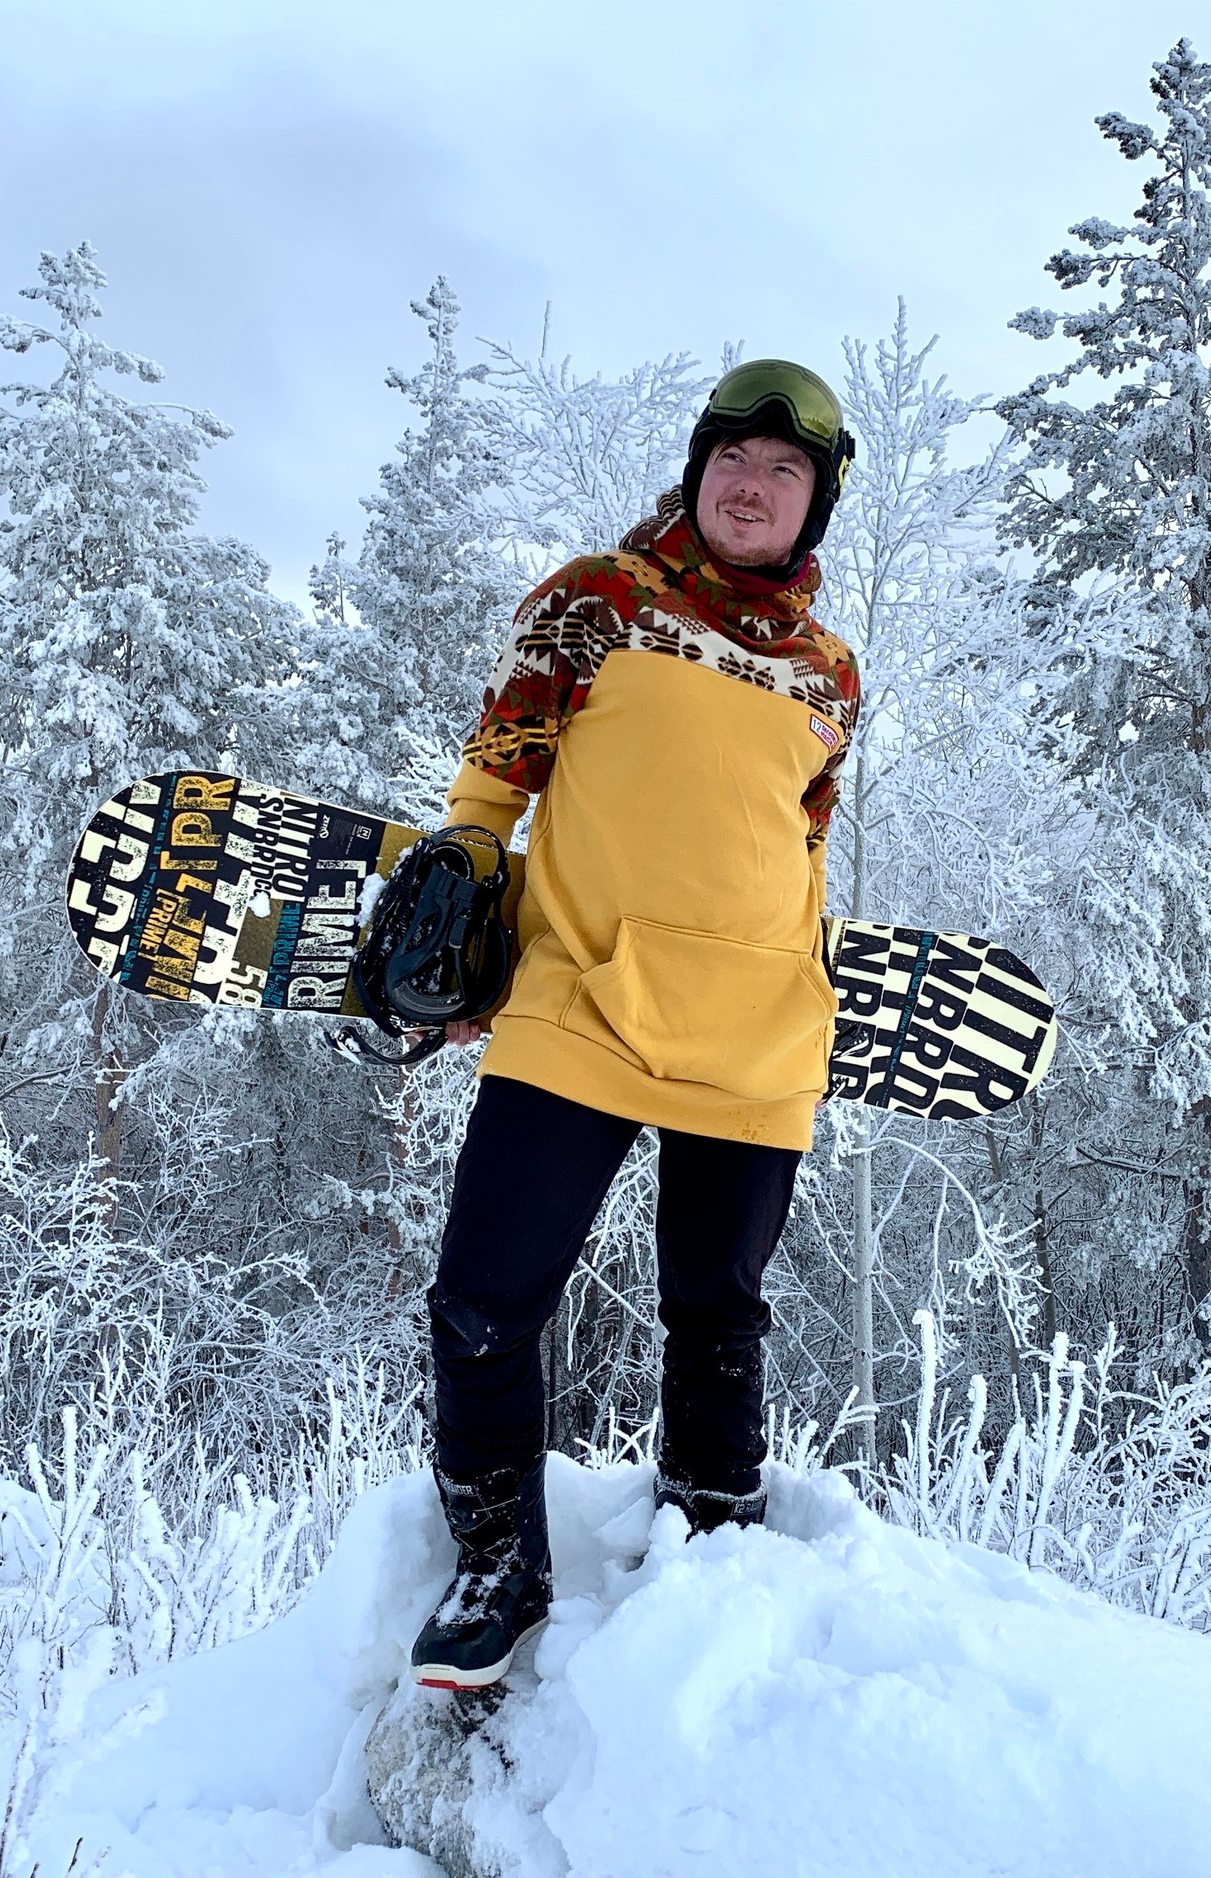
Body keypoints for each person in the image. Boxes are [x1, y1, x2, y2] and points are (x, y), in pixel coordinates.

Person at [408, 360, 861, 1691]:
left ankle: (711, 1540)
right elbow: (497, 775)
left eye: (786, 471)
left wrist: (812, 982)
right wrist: (461, 896)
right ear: (698, 466)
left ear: (814, 504)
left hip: (761, 1027)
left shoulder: (832, 673)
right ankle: (499, 1566)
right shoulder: (598, 600)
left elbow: (802, 841)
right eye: (735, 457)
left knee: (719, 1313)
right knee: (485, 1298)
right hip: (582, 997)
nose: (753, 484)